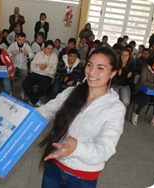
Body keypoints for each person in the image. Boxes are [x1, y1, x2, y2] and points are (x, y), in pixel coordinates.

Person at [37, 47, 125, 188]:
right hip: (54, 166)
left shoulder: (115, 108)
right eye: (89, 65)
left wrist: (77, 148)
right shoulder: (72, 92)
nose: (92, 72)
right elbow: (46, 111)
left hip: (82, 178)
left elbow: (105, 150)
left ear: (112, 73)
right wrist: (19, 113)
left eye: (100, 68)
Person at [23, 40, 58, 106]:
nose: (49, 51)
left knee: (44, 89)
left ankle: (32, 98)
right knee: (25, 83)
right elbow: (32, 67)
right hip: (36, 73)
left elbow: (53, 71)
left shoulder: (55, 57)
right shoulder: (39, 54)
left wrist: (45, 68)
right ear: (44, 48)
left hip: (47, 75)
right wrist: (39, 68)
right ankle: (35, 100)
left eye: (51, 49)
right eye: (48, 48)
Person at [132, 55, 154, 126]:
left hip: (153, 91)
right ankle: (136, 113)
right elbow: (143, 82)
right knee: (146, 97)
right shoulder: (145, 69)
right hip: (141, 89)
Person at [6, 32, 34, 99]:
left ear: (25, 40)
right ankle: (20, 91)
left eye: (23, 40)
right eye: (19, 39)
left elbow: (33, 55)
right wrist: (13, 54)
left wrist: (27, 53)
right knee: (12, 75)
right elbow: (6, 55)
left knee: (23, 76)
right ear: (16, 39)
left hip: (23, 66)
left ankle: (15, 92)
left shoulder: (27, 46)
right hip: (14, 65)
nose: (21, 41)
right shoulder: (13, 45)